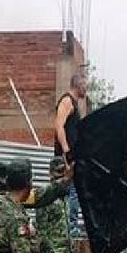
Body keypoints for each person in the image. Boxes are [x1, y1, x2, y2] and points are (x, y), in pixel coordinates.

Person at [53, 70, 87, 239]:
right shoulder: (67, 101)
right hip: (64, 158)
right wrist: (67, 152)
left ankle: (69, 228)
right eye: (85, 85)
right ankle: (69, 229)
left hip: (71, 157)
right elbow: (59, 126)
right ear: (78, 84)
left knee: (73, 192)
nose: (86, 89)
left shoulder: (75, 103)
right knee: (68, 192)